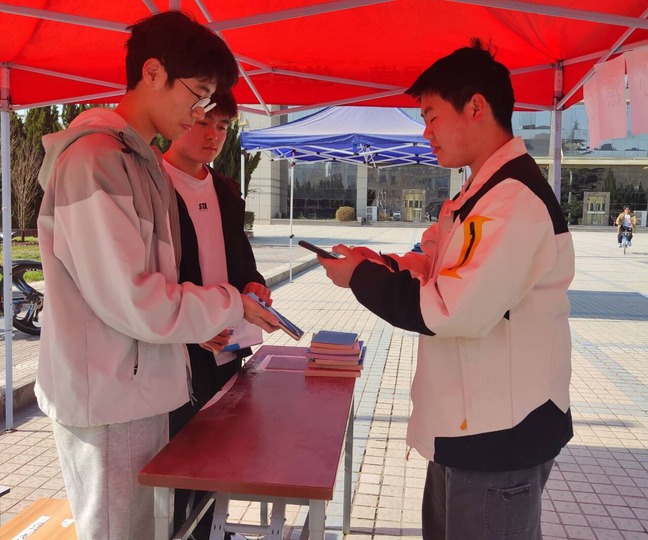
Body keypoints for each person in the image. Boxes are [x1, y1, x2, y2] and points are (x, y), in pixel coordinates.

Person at [35, 11, 279, 539]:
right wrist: (230, 304)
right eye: (197, 95)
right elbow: (134, 299)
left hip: (142, 388)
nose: (199, 114)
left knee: (154, 527)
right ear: (152, 73)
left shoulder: (134, 160)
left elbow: (155, 288)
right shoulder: (95, 159)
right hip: (109, 396)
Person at [320, 39, 574, 540]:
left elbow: (452, 308)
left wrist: (361, 278)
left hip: (499, 436)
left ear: (476, 107)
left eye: (431, 116)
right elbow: (438, 263)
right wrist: (381, 263)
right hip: (468, 427)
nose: (426, 132)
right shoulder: (479, 192)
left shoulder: (513, 201)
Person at [163, 90, 271, 538]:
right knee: (175, 478)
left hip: (229, 351)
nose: (213, 136)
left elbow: (240, 260)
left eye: (222, 127)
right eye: (203, 122)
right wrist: (192, 328)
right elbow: (149, 283)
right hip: (176, 360)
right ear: (179, 118)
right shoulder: (155, 185)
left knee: (216, 471)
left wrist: (254, 285)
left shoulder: (225, 189)